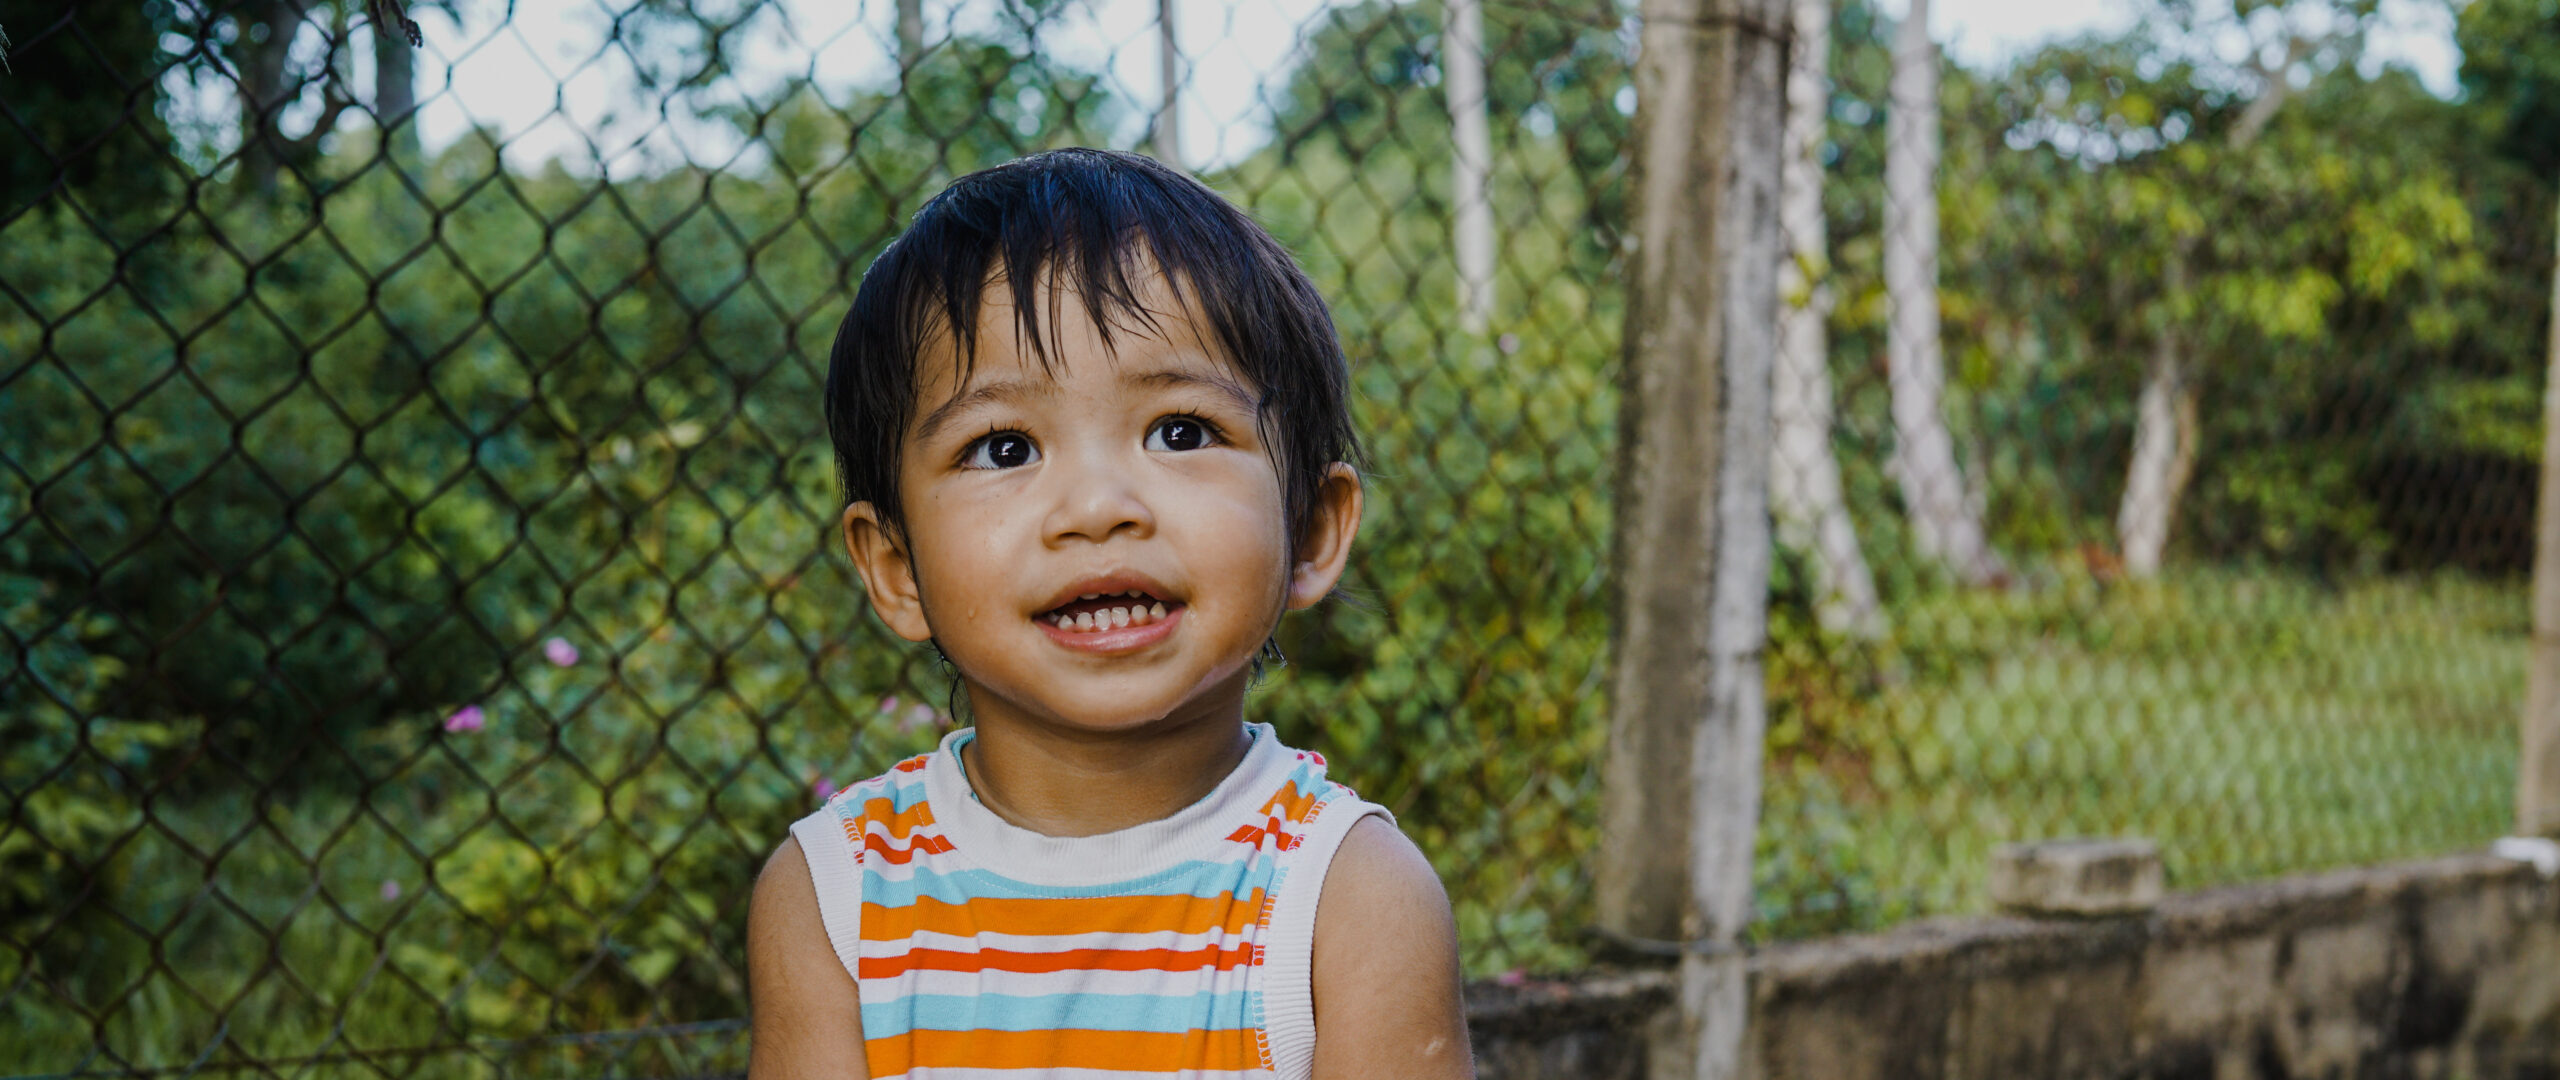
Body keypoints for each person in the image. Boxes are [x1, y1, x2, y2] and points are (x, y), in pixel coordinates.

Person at [745, 148, 1473, 1080]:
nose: (1098, 507)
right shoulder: (835, 901)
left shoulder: (1347, 899)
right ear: (895, 568)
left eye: (1180, 432)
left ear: (1311, 529)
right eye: (1003, 447)